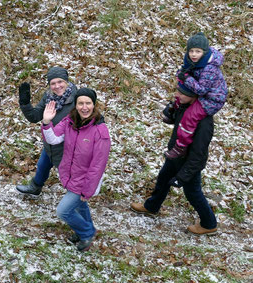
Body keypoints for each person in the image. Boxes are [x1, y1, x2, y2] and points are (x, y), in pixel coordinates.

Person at [131, 85, 218, 235]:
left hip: (188, 163)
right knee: (163, 179)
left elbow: (198, 155)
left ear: (193, 96)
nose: (177, 94)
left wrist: (183, 176)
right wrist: (169, 111)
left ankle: (209, 223)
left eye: (181, 93)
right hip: (175, 154)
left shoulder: (204, 122)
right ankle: (152, 207)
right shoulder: (183, 106)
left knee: (193, 193)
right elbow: (173, 121)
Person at [42, 88, 111, 251]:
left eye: (88, 103)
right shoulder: (70, 121)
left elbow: (97, 166)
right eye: (81, 103)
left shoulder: (100, 131)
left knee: (63, 211)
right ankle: (87, 230)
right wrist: (46, 122)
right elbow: (53, 139)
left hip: (85, 181)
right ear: (76, 105)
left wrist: (87, 191)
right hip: (70, 175)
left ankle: (86, 233)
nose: (84, 107)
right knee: (80, 206)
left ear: (94, 105)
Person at [16, 66, 77, 198]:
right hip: (50, 142)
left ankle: (75, 202)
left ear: (66, 81)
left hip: (68, 148)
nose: (57, 86)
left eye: (60, 82)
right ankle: (35, 187)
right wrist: (25, 103)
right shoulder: (49, 97)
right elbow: (35, 117)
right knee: (43, 165)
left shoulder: (77, 99)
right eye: (53, 83)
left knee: (69, 177)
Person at [164, 32, 227, 159]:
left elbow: (202, 90)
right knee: (179, 95)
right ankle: (171, 113)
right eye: (191, 51)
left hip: (212, 99)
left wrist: (186, 78)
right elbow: (184, 70)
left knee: (190, 116)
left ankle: (180, 146)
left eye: (197, 51)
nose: (193, 54)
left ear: (204, 52)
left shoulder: (210, 68)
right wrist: (181, 75)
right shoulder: (193, 60)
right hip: (200, 90)